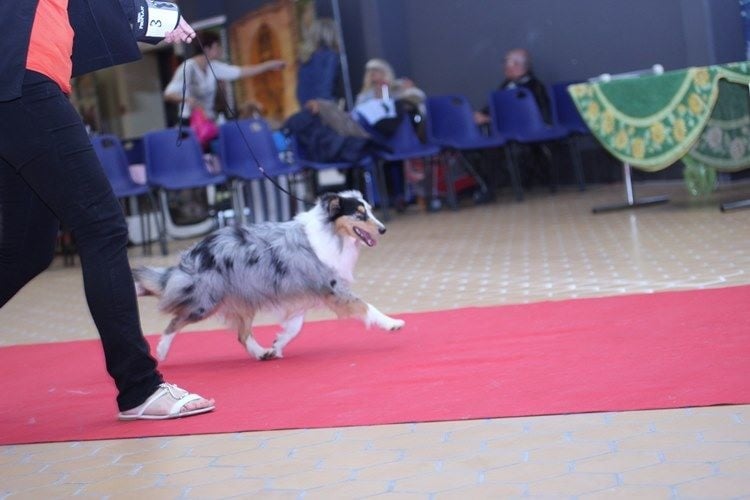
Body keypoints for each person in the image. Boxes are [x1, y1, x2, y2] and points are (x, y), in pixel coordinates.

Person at [0, 0, 215, 420]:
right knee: (102, 226)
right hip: (24, 84)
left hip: (18, 88)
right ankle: (140, 388)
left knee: (26, 250)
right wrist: (155, 14)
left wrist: (155, 18)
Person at [164, 31, 286, 125]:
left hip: (208, 121)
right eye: (217, 47)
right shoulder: (188, 68)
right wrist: (186, 99)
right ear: (207, 49)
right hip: (189, 121)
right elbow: (168, 94)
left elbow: (242, 72)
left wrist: (269, 65)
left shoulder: (214, 67)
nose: (220, 50)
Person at [474, 48, 552, 126]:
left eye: (506, 62)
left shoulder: (534, 87)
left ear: (517, 65)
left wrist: (489, 119)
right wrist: (481, 114)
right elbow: (496, 104)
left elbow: (524, 116)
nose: (504, 66)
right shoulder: (508, 83)